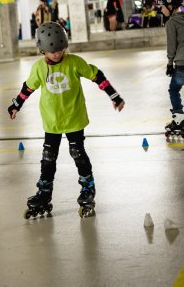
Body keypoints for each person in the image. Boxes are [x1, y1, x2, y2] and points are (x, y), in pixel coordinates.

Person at [7, 22, 125, 219]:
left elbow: (97, 76)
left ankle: (87, 190)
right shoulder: (38, 68)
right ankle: (44, 194)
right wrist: (16, 105)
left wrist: (114, 96)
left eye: (61, 50)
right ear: (42, 50)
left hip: (74, 119)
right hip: (52, 122)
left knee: (77, 153)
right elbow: (27, 88)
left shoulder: (74, 62)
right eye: (52, 52)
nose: (57, 54)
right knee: (47, 159)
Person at [158, 0, 184, 141]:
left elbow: (171, 47)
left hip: (182, 63)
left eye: (162, 7)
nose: (161, 10)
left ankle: (179, 118)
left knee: (174, 89)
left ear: (170, 5)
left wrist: (169, 64)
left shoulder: (171, 23)